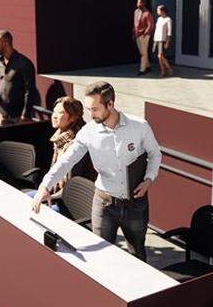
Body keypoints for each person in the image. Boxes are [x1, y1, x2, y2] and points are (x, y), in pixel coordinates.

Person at [32, 82, 161, 261]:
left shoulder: (139, 126)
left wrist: (148, 180)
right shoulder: (88, 132)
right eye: (88, 109)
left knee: (137, 254)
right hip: (103, 204)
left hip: (135, 204)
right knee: (101, 258)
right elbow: (67, 160)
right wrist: (45, 185)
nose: (90, 115)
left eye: (94, 109)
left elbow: (155, 154)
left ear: (110, 104)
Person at [132, 0, 154, 75]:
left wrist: (146, 33)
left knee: (143, 53)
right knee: (142, 52)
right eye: (137, 2)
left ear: (143, 3)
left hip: (144, 35)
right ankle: (148, 66)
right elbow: (135, 23)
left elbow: (150, 25)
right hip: (137, 34)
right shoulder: (136, 12)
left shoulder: (147, 13)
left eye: (140, 3)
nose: (138, 4)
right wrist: (134, 33)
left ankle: (142, 70)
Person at [153, 4, 173, 77]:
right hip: (157, 39)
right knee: (159, 56)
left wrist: (167, 42)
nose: (157, 11)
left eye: (158, 10)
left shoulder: (168, 19)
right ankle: (163, 71)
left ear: (162, 11)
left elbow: (169, 32)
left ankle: (167, 69)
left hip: (163, 39)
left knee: (160, 56)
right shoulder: (159, 19)